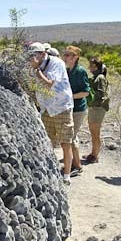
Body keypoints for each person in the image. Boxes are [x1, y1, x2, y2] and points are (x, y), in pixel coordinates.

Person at [28, 42, 75, 186]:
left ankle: (66, 175)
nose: (32, 58)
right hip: (46, 108)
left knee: (65, 142)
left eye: (35, 54)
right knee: (47, 142)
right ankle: (50, 170)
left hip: (61, 107)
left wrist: (36, 70)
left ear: (43, 54)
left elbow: (49, 83)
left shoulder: (56, 63)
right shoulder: (36, 65)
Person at [62, 46, 90, 177]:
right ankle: (74, 164)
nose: (65, 57)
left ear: (75, 57)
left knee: (71, 137)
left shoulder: (80, 71)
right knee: (72, 136)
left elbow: (85, 92)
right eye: (65, 54)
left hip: (78, 109)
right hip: (70, 108)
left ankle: (77, 166)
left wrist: (70, 96)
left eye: (68, 55)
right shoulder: (68, 71)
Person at [85, 57, 109, 163]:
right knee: (93, 131)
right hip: (94, 107)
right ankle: (93, 153)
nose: (89, 67)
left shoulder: (100, 78)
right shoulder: (96, 77)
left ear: (95, 66)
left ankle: (95, 155)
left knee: (95, 132)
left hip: (98, 108)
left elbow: (101, 93)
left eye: (91, 65)